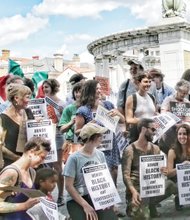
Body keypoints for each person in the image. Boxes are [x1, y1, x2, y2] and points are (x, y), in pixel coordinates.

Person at [122, 118, 176, 219]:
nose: (154, 133)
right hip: (137, 188)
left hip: (151, 186)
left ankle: (151, 204)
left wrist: (163, 170)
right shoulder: (130, 150)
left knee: (171, 185)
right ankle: (132, 206)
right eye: (153, 129)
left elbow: (158, 168)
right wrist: (133, 191)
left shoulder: (155, 148)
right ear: (143, 129)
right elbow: (125, 175)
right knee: (144, 216)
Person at [75, 80, 125, 186]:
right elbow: (77, 132)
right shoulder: (82, 110)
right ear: (89, 91)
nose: (99, 91)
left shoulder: (108, 105)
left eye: (99, 88)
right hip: (94, 147)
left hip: (110, 144)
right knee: (99, 173)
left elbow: (122, 120)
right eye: (96, 88)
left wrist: (118, 114)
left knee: (114, 169)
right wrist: (90, 125)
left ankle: (113, 193)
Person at [64, 122, 117, 220]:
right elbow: (68, 186)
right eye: (99, 135)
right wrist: (85, 205)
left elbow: (105, 179)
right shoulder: (74, 158)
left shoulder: (100, 154)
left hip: (97, 195)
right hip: (77, 197)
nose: (102, 137)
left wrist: (110, 200)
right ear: (90, 138)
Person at [0, 136, 51, 219]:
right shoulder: (11, 173)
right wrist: (24, 206)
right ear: (31, 152)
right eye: (42, 157)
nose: (43, 162)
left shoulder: (32, 172)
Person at [42, 78, 65, 206]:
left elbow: (64, 121)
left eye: (47, 87)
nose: (45, 89)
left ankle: (61, 195)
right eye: (44, 87)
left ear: (53, 88)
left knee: (58, 167)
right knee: (46, 167)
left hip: (57, 136)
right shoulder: (41, 102)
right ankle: (47, 195)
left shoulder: (62, 103)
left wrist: (61, 114)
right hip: (45, 137)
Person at [0, 83, 33, 168]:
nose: (29, 100)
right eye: (27, 97)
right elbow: (1, 147)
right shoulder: (2, 118)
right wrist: (17, 158)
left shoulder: (28, 112)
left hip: (28, 163)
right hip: (10, 165)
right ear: (17, 98)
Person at [160, 79, 190, 154]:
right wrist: (174, 123)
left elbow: (188, 117)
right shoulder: (168, 99)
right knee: (171, 150)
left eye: (185, 93)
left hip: (183, 129)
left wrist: (184, 124)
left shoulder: (187, 102)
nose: (183, 95)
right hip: (170, 130)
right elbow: (163, 113)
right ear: (177, 89)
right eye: (181, 92)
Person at [125, 73, 157, 143]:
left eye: (149, 82)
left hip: (151, 135)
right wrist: (145, 121)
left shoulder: (152, 97)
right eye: (145, 82)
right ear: (138, 83)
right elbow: (129, 119)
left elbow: (155, 114)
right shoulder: (132, 98)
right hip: (137, 135)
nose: (148, 84)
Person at [166, 124, 190, 210]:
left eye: (185, 134)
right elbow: (168, 174)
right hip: (177, 180)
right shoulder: (172, 151)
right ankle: (178, 197)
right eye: (180, 134)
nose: (182, 136)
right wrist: (181, 167)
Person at [59, 82, 83, 163]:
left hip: (86, 144)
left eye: (80, 92)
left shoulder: (90, 107)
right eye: (76, 92)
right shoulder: (69, 109)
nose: (78, 94)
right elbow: (61, 129)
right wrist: (71, 123)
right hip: (71, 143)